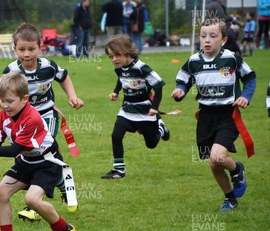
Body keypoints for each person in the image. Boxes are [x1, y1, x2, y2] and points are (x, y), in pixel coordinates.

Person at [0, 72, 76, 231]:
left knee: (32, 199)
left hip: (47, 162)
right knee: (1, 193)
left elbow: (13, 150)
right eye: (2, 100)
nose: (5, 105)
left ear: (24, 98)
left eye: (10, 101)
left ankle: (62, 229)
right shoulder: (0, 118)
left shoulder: (32, 118)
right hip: (26, 161)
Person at [0, 23, 84, 221]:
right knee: (28, 157)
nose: (27, 54)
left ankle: (34, 204)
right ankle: (62, 185)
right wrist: (6, 105)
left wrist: (72, 96)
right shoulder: (11, 70)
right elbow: (1, 94)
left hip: (46, 115)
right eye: (22, 49)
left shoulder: (48, 66)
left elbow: (64, 77)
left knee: (40, 150)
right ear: (14, 49)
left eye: (31, 49)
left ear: (40, 47)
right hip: (22, 120)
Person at [171, 18, 256, 211]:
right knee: (213, 164)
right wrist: (179, 91)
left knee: (217, 157)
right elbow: (183, 80)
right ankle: (230, 198)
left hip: (228, 115)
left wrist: (245, 96)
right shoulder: (194, 61)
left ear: (223, 40)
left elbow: (250, 78)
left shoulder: (231, 58)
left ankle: (237, 169)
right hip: (205, 117)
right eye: (203, 36)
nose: (207, 40)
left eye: (212, 36)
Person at [101, 35, 170, 179]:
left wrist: (155, 108)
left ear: (128, 52)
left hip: (145, 111)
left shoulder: (142, 68)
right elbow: (122, 79)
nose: (114, 59)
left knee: (151, 144)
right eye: (111, 56)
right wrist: (115, 92)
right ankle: (119, 170)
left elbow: (159, 86)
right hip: (127, 109)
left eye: (117, 55)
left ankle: (160, 129)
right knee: (116, 135)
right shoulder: (119, 69)